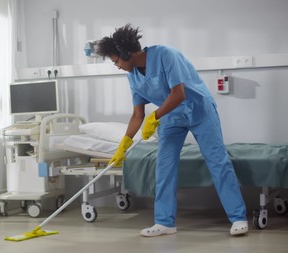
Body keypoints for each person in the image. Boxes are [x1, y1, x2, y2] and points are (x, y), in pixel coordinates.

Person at [95, 24, 248, 237]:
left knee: (217, 161)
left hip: (199, 111)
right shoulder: (132, 75)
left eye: (116, 61)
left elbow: (179, 94)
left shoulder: (166, 55)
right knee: (164, 167)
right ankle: (165, 222)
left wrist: (154, 117)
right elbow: (138, 114)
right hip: (170, 117)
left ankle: (238, 217)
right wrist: (125, 143)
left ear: (125, 53)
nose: (117, 65)